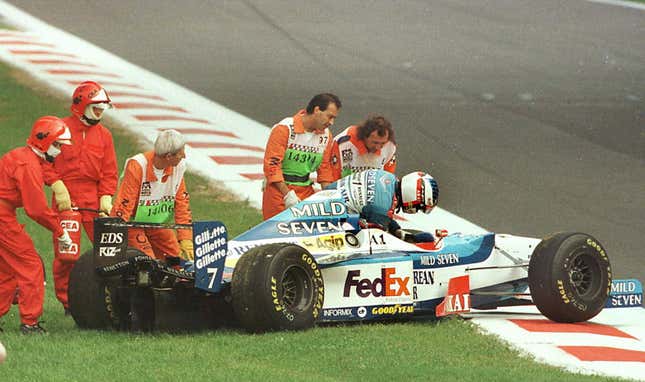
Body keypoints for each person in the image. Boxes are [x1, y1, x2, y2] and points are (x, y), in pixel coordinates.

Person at [46, 81, 118, 314]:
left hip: (94, 200)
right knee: (67, 256)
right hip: (65, 199)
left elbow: (109, 171)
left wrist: (106, 196)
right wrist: (57, 185)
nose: (100, 113)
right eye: (96, 108)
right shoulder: (59, 129)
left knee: (109, 251)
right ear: (83, 105)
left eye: (102, 109)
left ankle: (111, 297)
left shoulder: (105, 136)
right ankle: (69, 303)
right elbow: (44, 162)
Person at [0, 116, 74, 334]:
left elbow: (45, 170)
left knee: (6, 270)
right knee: (31, 266)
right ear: (44, 141)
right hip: (2, 217)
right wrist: (60, 231)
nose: (60, 151)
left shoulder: (23, 156)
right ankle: (29, 323)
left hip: (4, 213)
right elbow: (37, 210)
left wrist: (58, 185)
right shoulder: (28, 165)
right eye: (58, 145)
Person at [111, 129, 193, 262]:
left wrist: (185, 238)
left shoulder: (179, 167)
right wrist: (114, 234)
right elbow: (124, 206)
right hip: (132, 225)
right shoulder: (138, 166)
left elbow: (182, 203)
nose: (184, 155)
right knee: (148, 264)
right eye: (181, 152)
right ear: (168, 156)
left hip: (156, 223)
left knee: (177, 260)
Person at [262, 93, 341, 220]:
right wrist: (287, 194)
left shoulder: (326, 135)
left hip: (306, 190)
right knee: (277, 234)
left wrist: (330, 195)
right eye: (329, 116)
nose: (331, 122)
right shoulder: (284, 129)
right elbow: (272, 166)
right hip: (278, 191)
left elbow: (324, 169)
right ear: (317, 110)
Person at [329, 169, 438, 241]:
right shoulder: (383, 208)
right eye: (419, 207)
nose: (416, 211)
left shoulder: (387, 177)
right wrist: (412, 240)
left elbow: (377, 212)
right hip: (330, 219)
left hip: (327, 196)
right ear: (414, 196)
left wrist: (396, 229)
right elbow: (377, 239)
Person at [329, 115, 397, 180]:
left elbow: (388, 178)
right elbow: (333, 175)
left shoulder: (390, 146)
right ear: (364, 136)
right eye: (375, 142)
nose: (378, 147)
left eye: (383, 143)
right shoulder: (344, 143)